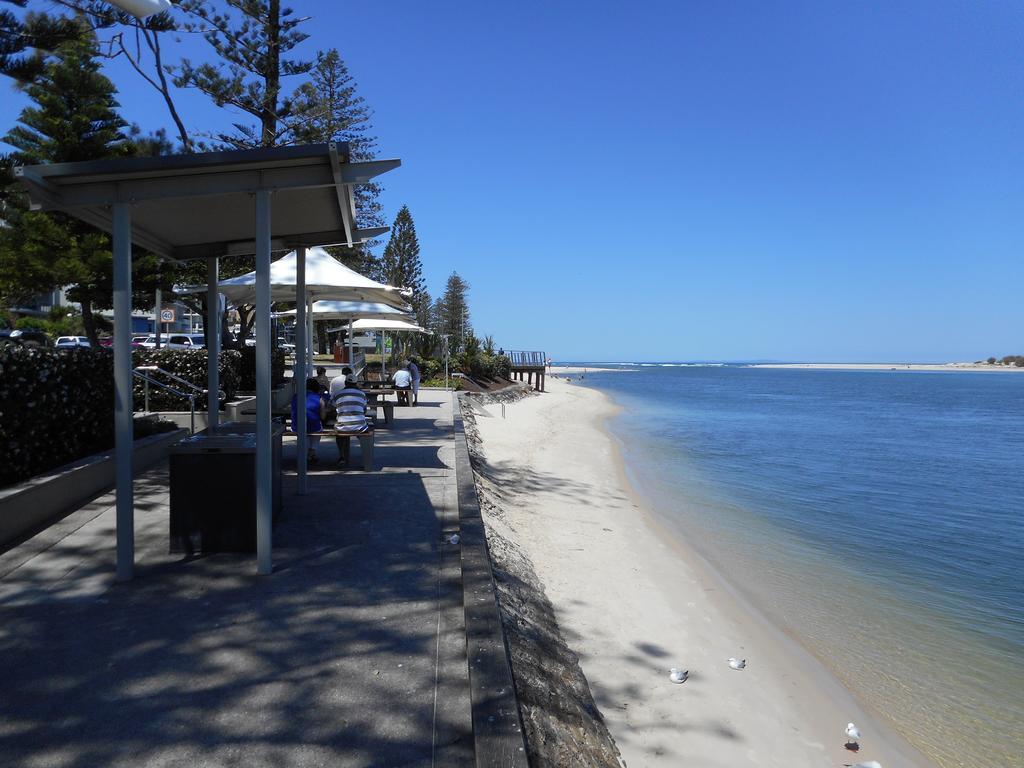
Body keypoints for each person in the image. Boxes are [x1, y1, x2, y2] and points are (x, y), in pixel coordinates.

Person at [330, 371, 368, 467]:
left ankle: (342, 456)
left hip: (342, 426)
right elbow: (364, 410)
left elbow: (331, 406)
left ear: (346, 383)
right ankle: (367, 457)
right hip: (360, 426)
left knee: (340, 435)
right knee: (363, 430)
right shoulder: (362, 394)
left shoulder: (338, 394)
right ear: (356, 383)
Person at [291, 377, 326, 464]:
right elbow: (323, 417)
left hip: (296, 427)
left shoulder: (295, 396)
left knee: (304, 428)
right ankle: (312, 451)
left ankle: (306, 452)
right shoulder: (320, 398)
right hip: (313, 427)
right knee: (318, 429)